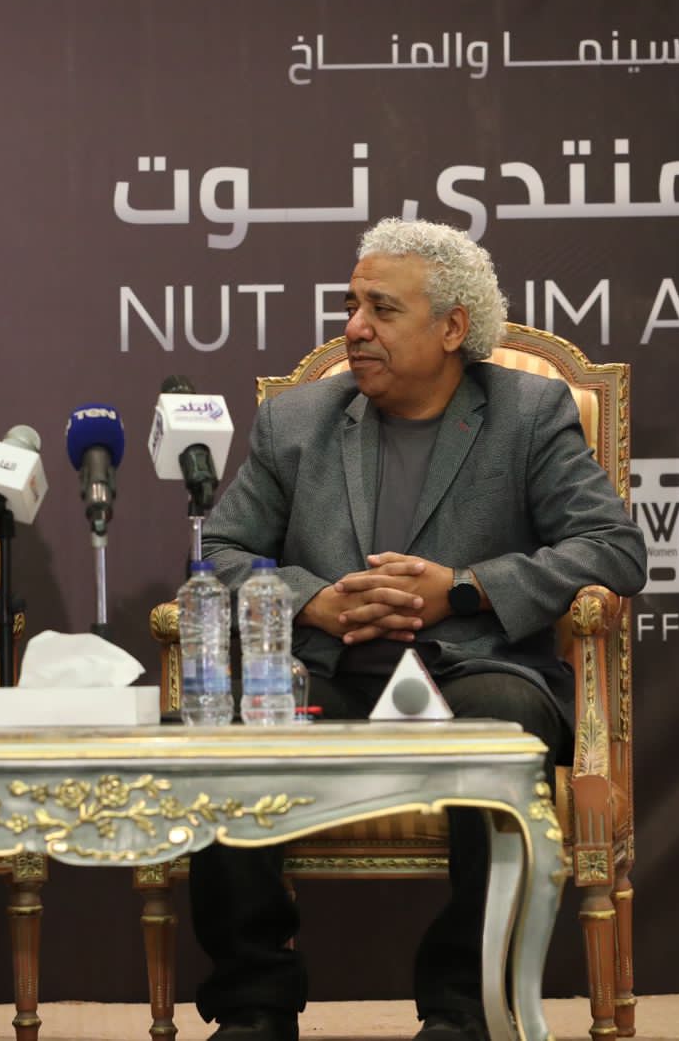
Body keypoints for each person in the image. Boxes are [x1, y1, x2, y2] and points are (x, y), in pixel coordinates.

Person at [188, 218, 647, 1041]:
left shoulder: (527, 413)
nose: (354, 328)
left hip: (473, 669)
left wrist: (462, 590)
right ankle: (255, 1002)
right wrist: (311, 601)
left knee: (502, 724)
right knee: (222, 728)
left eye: (382, 309)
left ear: (452, 328)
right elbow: (220, 549)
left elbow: (612, 549)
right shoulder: (298, 421)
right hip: (330, 670)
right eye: (351, 306)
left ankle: (463, 1005)